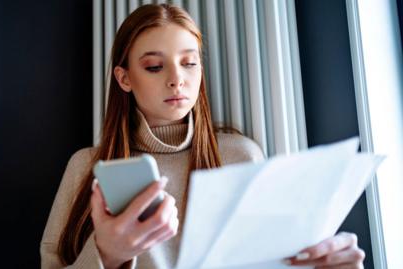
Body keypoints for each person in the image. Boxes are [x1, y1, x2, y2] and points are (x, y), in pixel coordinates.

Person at [40, 4, 366, 269]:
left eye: (189, 63)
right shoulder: (86, 168)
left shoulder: (241, 155)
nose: (177, 79)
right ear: (124, 79)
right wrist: (105, 255)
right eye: (154, 67)